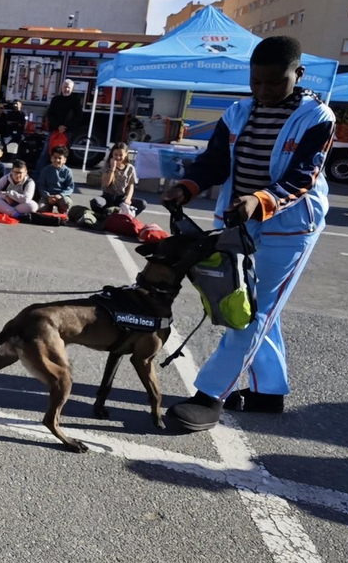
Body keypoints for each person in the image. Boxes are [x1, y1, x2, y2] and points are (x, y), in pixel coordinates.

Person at [161, 35, 334, 432]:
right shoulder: (237, 112)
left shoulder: (317, 116)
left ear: (298, 74)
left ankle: (209, 396)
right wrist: (187, 187)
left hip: (289, 228)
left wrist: (261, 200)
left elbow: (302, 177)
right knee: (257, 307)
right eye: (256, 82)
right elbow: (214, 162)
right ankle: (268, 394)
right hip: (239, 220)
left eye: (274, 82)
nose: (263, 91)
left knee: (248, 311)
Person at [95, 142, 144, 216]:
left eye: (121, 155)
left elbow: (131, 186)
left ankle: (126, 217)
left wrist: (128, 199)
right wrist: (113, 168)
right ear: (112, 154)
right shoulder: (107, 166)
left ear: (126, 154)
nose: (118, 157)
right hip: (108, 196)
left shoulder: (130, 168)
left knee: (142, 203)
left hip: (121, 198)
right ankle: (105, 216)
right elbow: (106, 183)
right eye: (115, 155)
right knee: (96, 203)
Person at [35, 146, 75, 213]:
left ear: (64, 160)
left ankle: (62, 211)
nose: (57, 160)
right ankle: (49, 208)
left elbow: (70, 187)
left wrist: (60, 195)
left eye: (60, 158)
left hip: (61, 196)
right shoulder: (45, 170)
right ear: (51, 158)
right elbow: (41, 186)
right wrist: (48, 196)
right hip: (48, 196)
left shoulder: (67, 171)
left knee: (66, 203)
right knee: (40, 208)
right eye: (55, 157)